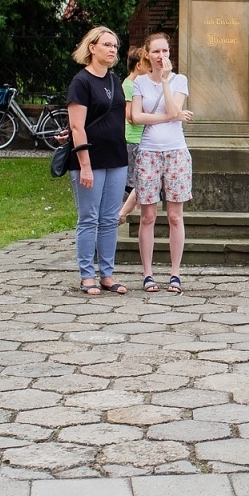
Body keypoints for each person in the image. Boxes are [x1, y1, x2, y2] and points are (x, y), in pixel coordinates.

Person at [128, 31, 194, 294]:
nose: (161, 56)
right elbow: (136, 116)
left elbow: (176, 109)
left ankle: (175, 274)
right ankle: (148, 274)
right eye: (156, 51)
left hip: (176, 151)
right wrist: (170, 117)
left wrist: (166, 82)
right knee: (148, 216)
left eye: (165, 51)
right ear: (147, 54)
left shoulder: (179, 80)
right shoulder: (140, 83)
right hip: (148, 152)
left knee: (176, 216)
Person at [67, 25, 130, 296]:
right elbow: (77, 127)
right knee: (89, 218)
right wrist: (85, 165)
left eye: (115, 46)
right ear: (92, 48)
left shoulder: (115, 81)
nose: (112, 50)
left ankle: (107, 273)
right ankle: (86, 275)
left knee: (109, 219)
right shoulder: (81, 82)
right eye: (107, 45)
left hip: (116, 158)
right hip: (89, 160)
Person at [117, 45, 151, 224]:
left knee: (141, 181)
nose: (150, 70)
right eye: (148, 66)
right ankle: (122, 214)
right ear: (139, 66)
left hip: (139, 139)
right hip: (135, 139)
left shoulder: (135, 84)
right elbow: (130, 116)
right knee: (140, 182)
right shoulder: (130, 85)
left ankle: (134, 215)